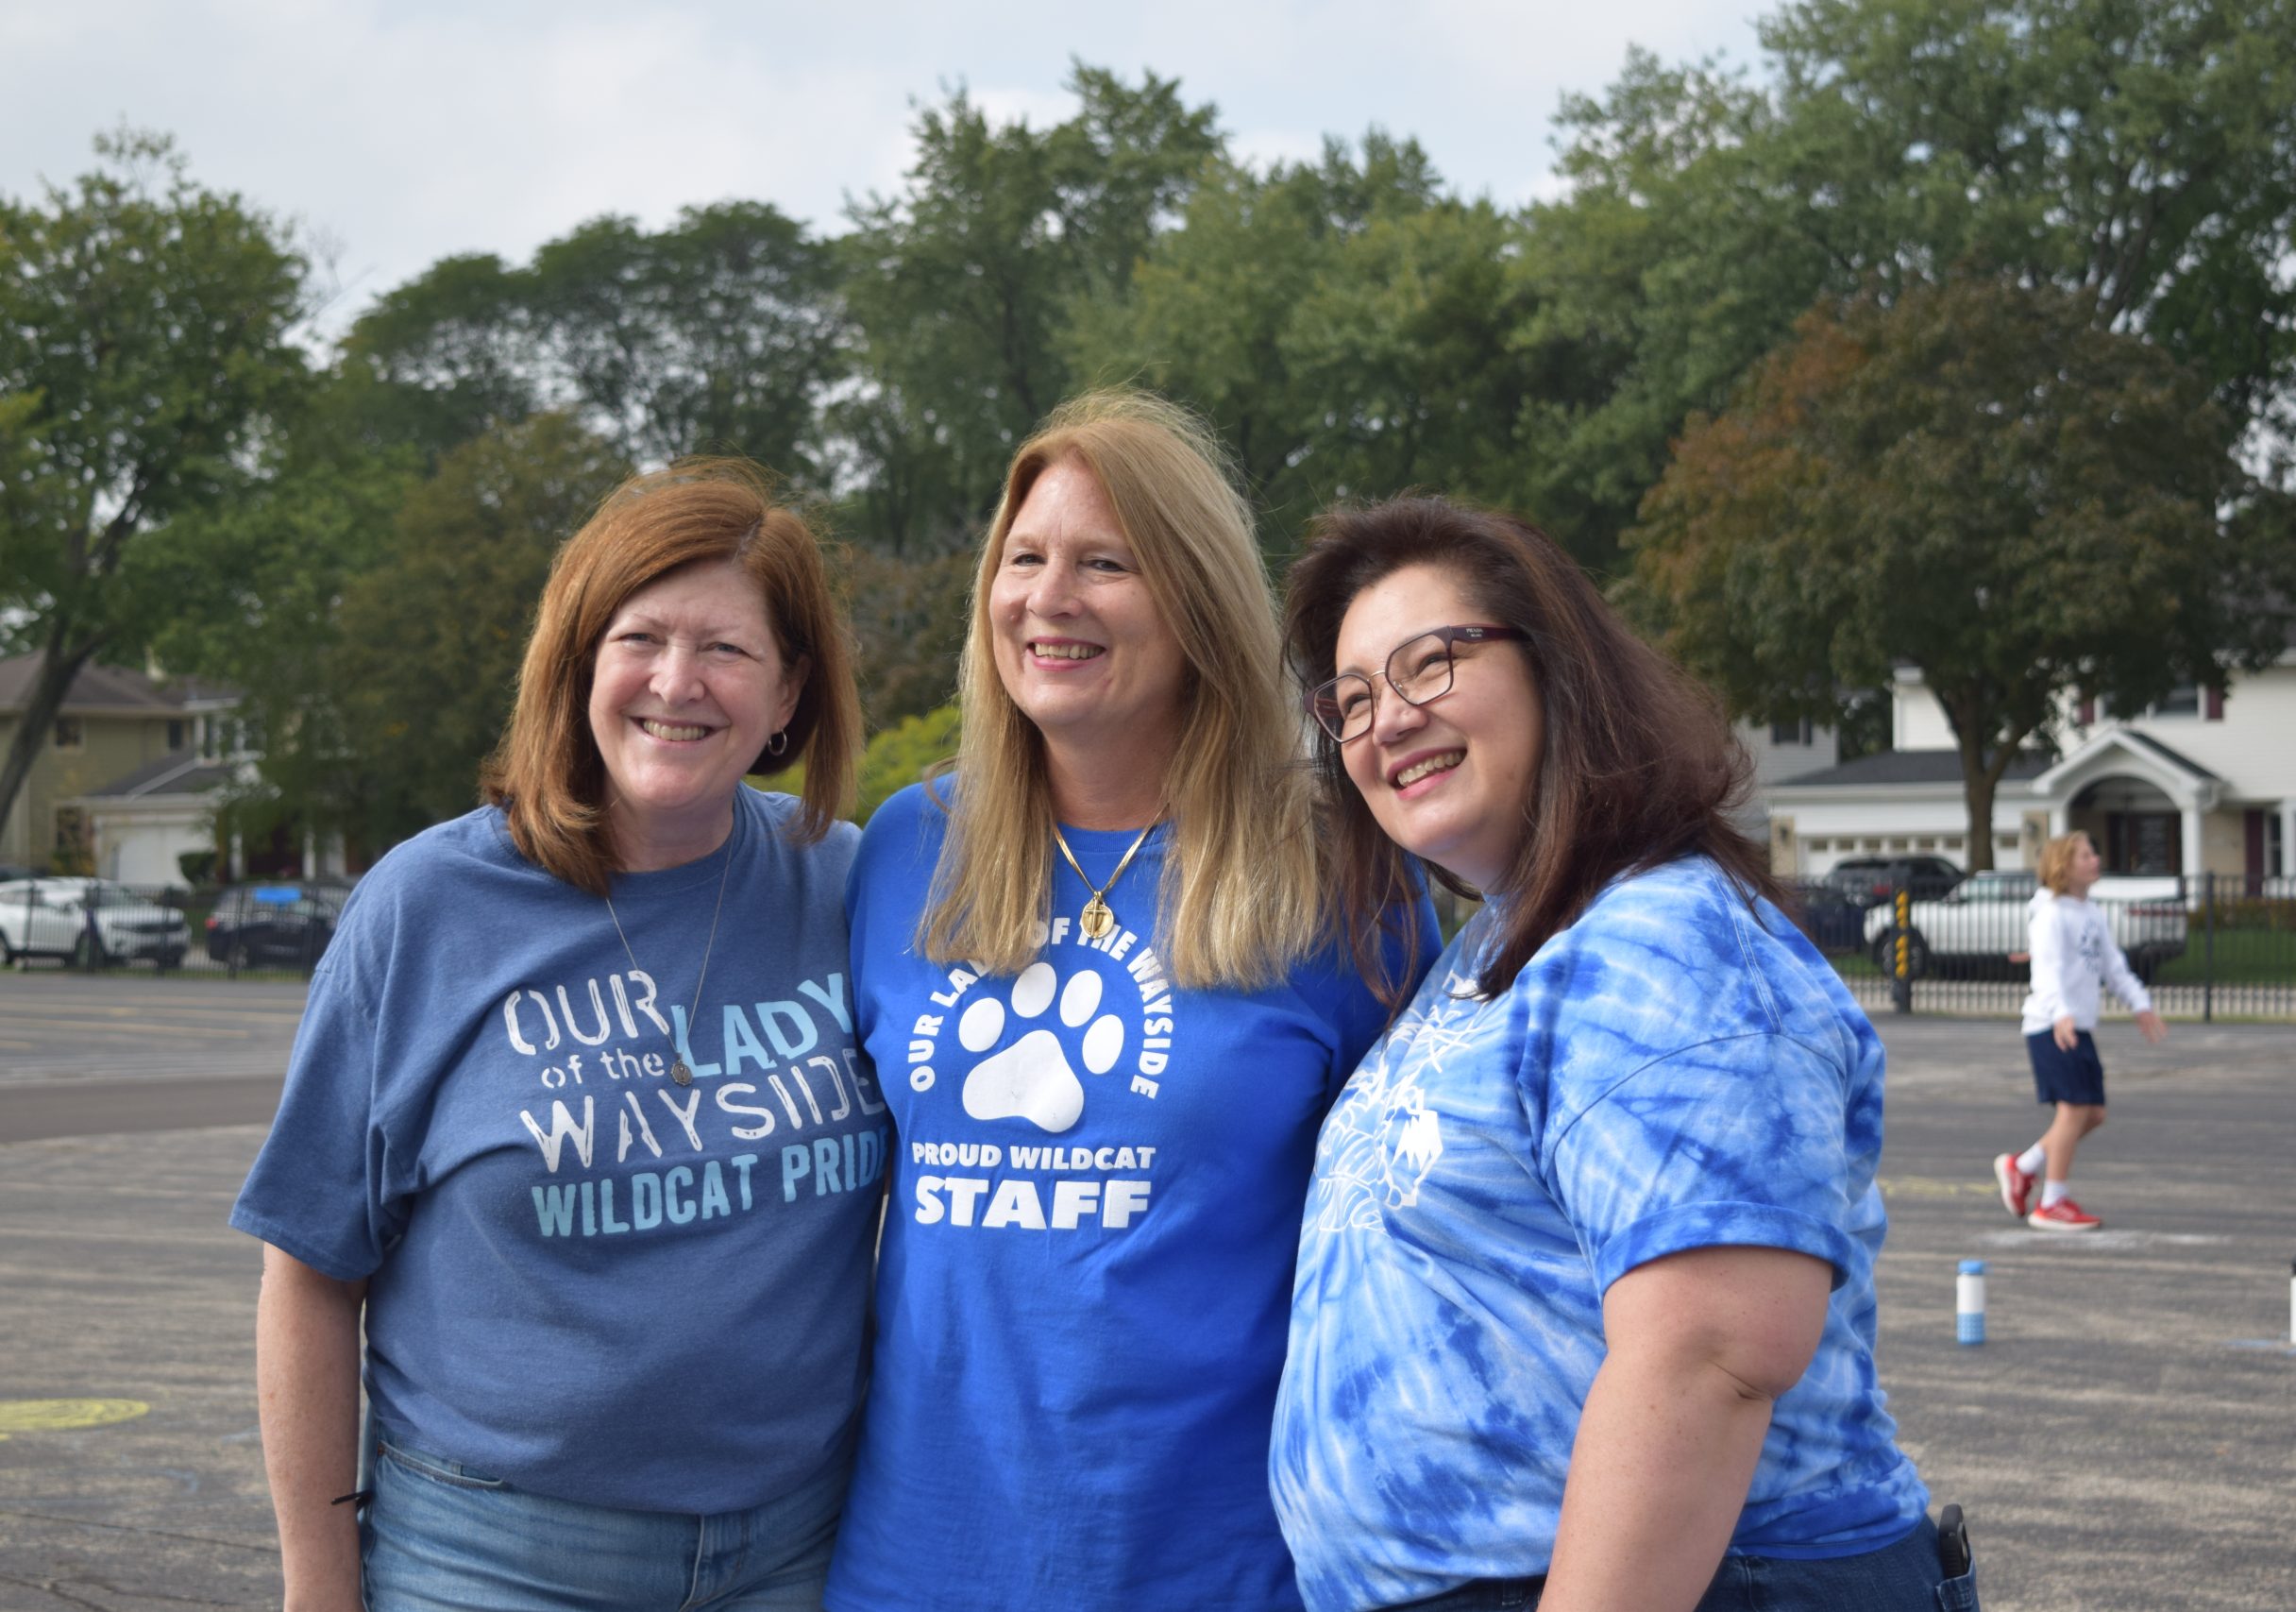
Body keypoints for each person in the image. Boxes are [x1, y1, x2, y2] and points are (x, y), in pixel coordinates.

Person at [1273, 496, 1967, 1612]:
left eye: (1429, 664)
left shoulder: (1666, 938)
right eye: (1350, 700)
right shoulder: (1504, 945)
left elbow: (1710, 1357)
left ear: (1556, 671)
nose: (1385, 721)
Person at [823, 391, 1435, 1612]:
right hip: (918, 1559)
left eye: (1106, 563)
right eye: (1024, 559)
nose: (1049, 597)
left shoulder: (1337, 865)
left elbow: (1417, 1234)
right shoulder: (905, 848)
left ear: (1198, 597)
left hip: (1224, 1564)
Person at [233, 462, 877, 1611]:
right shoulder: (428, 906)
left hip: (797, 1550)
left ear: (789, 694)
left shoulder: (843, 884)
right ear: (578, 663)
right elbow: (312, 1269)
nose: (676, 682)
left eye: (726, 649)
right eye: (640, 638)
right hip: (489, 1558)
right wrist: (318, 1581)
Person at [1992, 830, 2167, 1232]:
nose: (2095, 860)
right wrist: (2061, 1014)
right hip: (2051, 1025)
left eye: (2093, 853)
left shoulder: (2091, 912)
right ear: (2063, 866)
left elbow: (2113, 966)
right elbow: (2047, 971)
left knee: (2094, 1114)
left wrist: (2139, 1004)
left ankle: (2024, 1166)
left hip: (2076, 1025)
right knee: (2072, 1110)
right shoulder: (2051, 914)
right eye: (2085, 855)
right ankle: (2051, 1202)